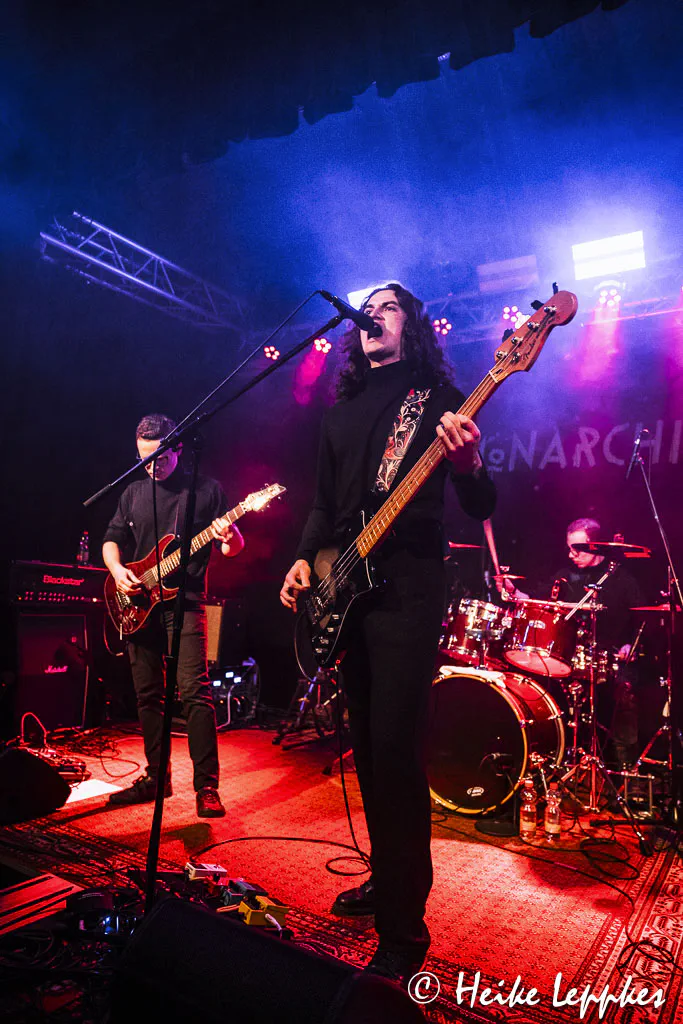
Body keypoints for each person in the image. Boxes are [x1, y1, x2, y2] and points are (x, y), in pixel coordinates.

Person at [280, 284, 496, 985]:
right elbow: (324, 506)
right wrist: (303, 561)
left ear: (413, 327)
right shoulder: (339, 412)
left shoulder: (439, 400)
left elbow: (482, 503)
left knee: (397, 752)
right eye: (367, 307)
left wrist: (468, 463)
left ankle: (404, 930)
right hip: (347, 588)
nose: (374, 314)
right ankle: (387, 878)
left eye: (390, 306)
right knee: (368, 753)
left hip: (407, 587)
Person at [102, 414, 244, 817]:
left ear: (177, 448)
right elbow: (111, 541)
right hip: (140, 603)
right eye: (144, 459)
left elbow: (232, 548)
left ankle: (207, 787)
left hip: (186, 602)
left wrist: (230, 535)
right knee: (148, 695)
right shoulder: (132, 493)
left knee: (195, 692)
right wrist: (117, 570)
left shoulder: (206, 490)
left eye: (160, 457)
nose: (152, 466)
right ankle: (156, 777)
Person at [499, 516, 643, 765]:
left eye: (577, 549)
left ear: (595, 546)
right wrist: (514, 592)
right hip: (569, 659)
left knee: (624, 695)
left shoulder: (622, 580)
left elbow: (643, 619)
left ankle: (623, 767)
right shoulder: (564, 576)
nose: (571, 555)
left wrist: (631, 644)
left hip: (610, 661)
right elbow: (535, 601)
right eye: (569, 548)